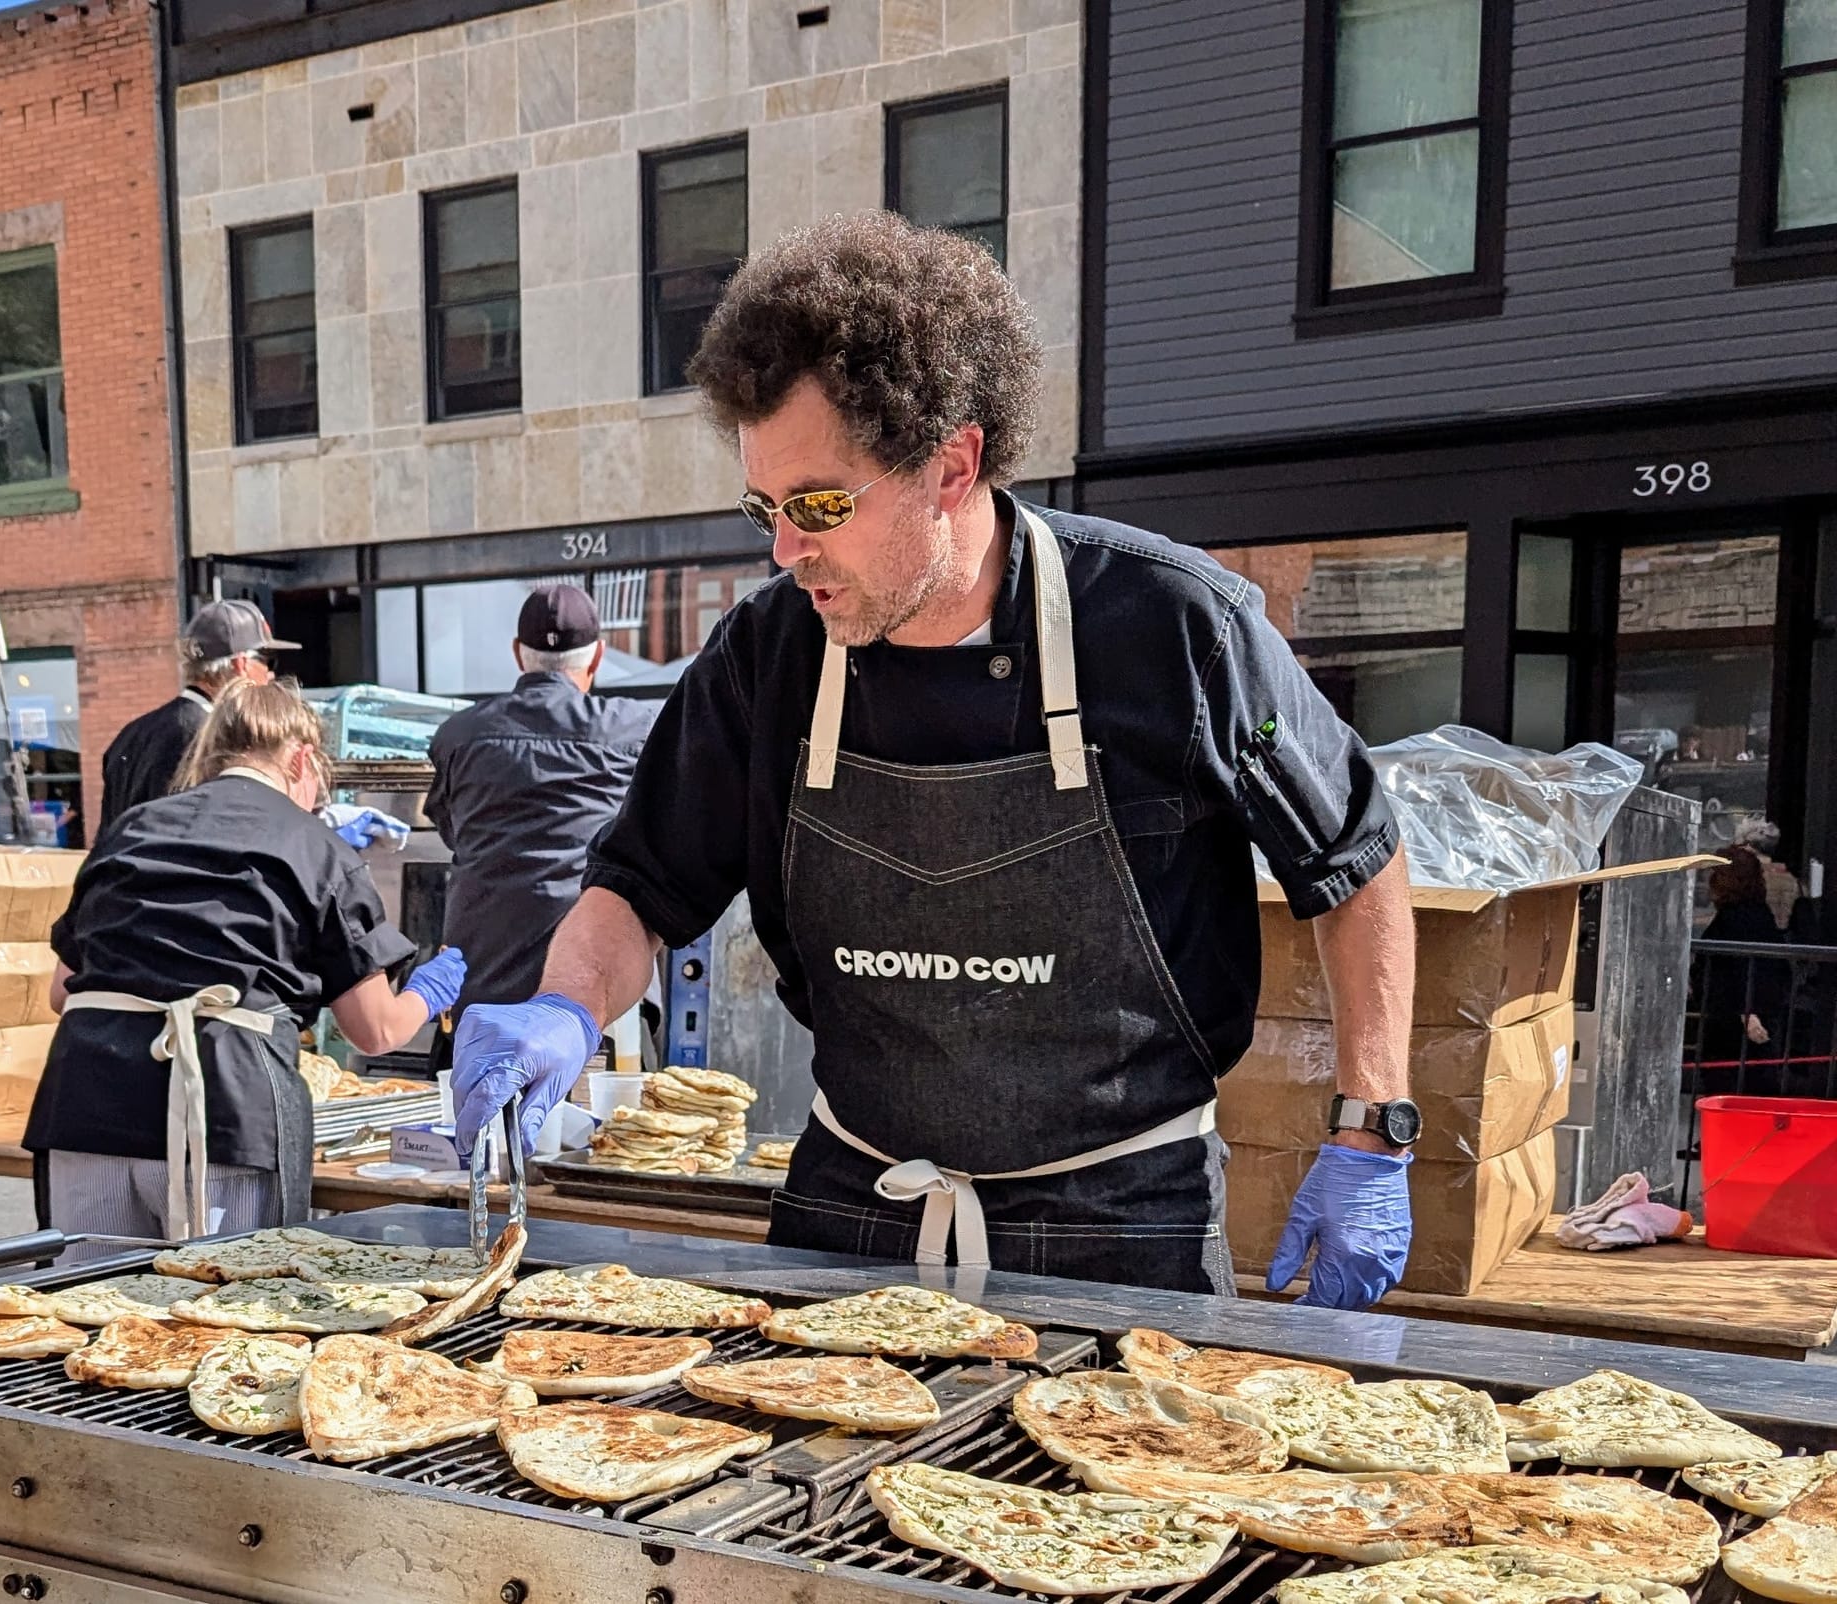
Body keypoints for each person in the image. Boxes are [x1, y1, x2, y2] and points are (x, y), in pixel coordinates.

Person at [451, 211, 1418, 1306]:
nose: (786, 549)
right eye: (765, 507)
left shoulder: (1174, 628)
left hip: (1121, 1223)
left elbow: (1354, 858)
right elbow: (639, 886)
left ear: (952, 464)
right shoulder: (767, 657)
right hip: (855, 1209)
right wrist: (564, 1007)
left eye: (821, 504)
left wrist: (1371, 1125)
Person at [26, 679, 466, 1256]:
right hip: (225, 1115)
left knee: (84, 1299)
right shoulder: (315, 847)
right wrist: (430, 990)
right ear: (301, 759)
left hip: (85, 1106)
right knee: (227, 1301)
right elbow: (376, 1029)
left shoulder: (131, 829)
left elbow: (64, 993)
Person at [423, 585, 659, 1070]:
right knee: (613, 1116)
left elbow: (452, 832)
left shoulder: (458, 735)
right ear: (598, 656)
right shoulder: (636, 729)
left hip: (482, 987)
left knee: (475, 1114)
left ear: (518, 654)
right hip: (595, 996)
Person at [98, 599, 298, 833]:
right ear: (241, 664)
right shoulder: (218, 739)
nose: (271, 675)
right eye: (268, 660)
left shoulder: (132, 734)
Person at [1693, 844, 1793, 1096]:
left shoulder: (1739, 919)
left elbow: (1746, 970)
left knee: (1733, 1087)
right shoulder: (1755, 915)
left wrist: (1747, 1010)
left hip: (1735, 1023)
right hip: (1736, 1018)